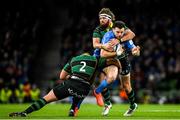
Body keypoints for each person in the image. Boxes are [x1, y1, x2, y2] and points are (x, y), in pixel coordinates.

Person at [9, 52, 120, 117]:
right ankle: (72, 109)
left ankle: (25, 113)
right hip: (85, 89)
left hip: (71, 83)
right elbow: (110, 61)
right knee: (79, 92)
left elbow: (61, 77)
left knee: (46, 98)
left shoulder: (74, 59)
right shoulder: (95, 60)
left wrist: (71, 76)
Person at [94, 20, 139, 116]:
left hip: (123, 61)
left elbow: (134, 50)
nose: (119, 34)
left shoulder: (125, 37)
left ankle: (132, 105)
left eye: (121, 32)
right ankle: (107, 103)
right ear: (113, 30)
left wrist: (135, 51)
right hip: (111, 60)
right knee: (106, 79)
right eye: (117, 32)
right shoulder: (108, 37)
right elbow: (103, 54)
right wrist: (117, 53)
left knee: (126, 87)